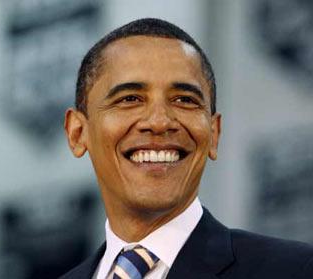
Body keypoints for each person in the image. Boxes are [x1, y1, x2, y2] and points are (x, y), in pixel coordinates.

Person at [60, 18, 313, 279]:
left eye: (184, 100)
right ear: (78, 133)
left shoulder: (295, 270)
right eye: (130, 99)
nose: (159, 122)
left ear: (214, 134)